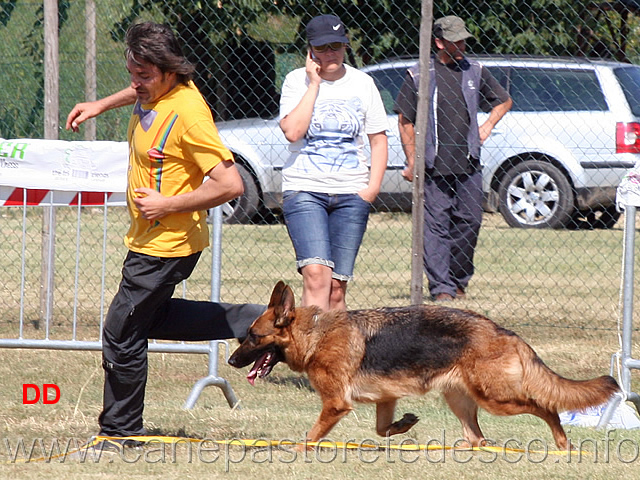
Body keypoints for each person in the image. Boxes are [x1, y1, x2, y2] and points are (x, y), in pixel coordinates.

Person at [66, 22, 264, 449]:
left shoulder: (188, 115)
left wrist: (166, 204)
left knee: (122, 331)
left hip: (165, 243)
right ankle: (248, 319)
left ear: (169, 72)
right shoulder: (155, 90)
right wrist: (101, 104)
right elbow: (139, 92)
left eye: (145, 76)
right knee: (150, 318)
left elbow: (231, 186)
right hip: (152, 239)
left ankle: (120, 432)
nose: (136, 84)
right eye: (132, 74)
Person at [394, 15, 512, 302]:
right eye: (454, 40)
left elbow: (504, 100)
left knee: (470, 222)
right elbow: (405, 120)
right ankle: (442, 288)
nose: (460, 45)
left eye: (462, 40)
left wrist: (487, 126)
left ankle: (458, 280)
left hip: (468, 164)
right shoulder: (420, 74)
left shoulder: (475, 70)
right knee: (435, 228)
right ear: (439, 42)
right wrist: (412, 160)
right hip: (433, 166)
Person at [278, 14, 388, 311]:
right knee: (316, 275)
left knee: (336, 289)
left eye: (337, 46)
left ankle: (334, 356)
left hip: (352, 192)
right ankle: (310, 354)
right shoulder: (295, 82)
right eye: (323, 47)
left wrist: (370, 190)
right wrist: (313, 85)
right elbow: (293, 132)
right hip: (304, 190)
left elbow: (379, 140)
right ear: (310, 50)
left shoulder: (363, 83)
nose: (331, 53)